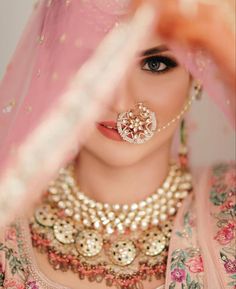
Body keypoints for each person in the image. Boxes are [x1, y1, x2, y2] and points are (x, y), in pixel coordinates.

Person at [0, 1, 235, 289]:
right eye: (93, 62)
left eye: (155, 64)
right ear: (51, 66)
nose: (120, 102)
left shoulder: (228, 208)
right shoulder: (6, 217)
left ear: (197, 76)